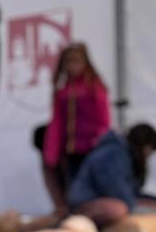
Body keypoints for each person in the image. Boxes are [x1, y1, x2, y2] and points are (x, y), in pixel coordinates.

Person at [42, 43, 111, 216]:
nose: (72, 66)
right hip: (71, 150)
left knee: (87, 191)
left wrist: (100, 144)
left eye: (76, 61)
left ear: (85, 63)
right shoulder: (63, 91)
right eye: (68, 62)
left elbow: (103, 119)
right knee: (72, 189)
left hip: (91, 150)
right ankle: (73, 218)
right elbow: (57, 122)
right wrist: (52, 149)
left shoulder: (94, 88)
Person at [66, 124, 156, 227]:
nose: (149, 154)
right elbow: (113, 186)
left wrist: (152, 201)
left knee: (144, 205)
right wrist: (134, 205)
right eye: (149, 149)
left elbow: (129, 191)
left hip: (100, 200)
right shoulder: (112, 153)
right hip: (85, 203)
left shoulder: (126, 156)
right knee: (118, 209)